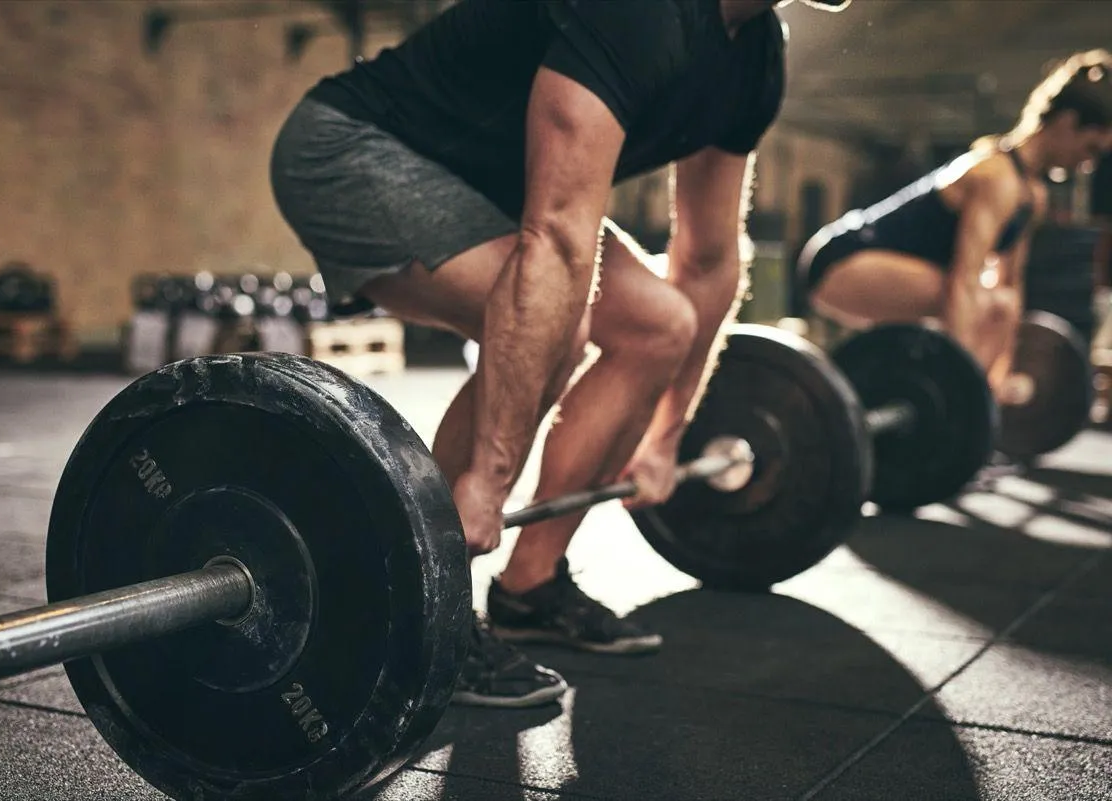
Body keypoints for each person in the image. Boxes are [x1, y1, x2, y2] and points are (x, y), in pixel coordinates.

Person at [270, 0, 852, 709]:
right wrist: (488, 476)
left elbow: (706, 259)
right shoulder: (644, 13)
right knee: (557, 331)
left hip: (488, 190)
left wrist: (669, 434)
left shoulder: (754, 52)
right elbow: (557, 236)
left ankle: (530, 585)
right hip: (353, 149)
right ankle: (420, 612)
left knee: (659, 325)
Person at [799, 49, 1112, 407]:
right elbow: (964, 280)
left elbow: (1012, 283)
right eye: (1091, 148)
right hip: (839, 261)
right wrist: (962, 386)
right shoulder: (996, 177)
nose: (1088, 164)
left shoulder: (1033, 195)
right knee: (981, 300)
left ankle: (959, 401)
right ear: (1067, 123)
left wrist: (1001, 374)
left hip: (898, 271)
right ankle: (953, 399)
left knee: (1001, 302)